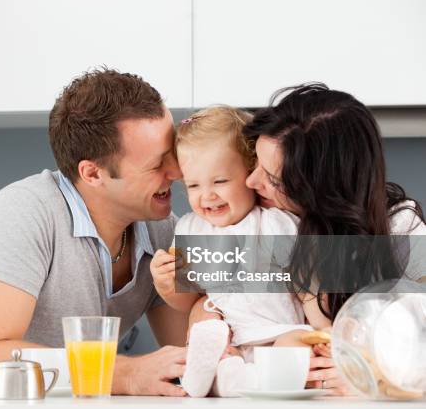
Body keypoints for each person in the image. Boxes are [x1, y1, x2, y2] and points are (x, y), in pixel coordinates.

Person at [0, 68, 190, 396]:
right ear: (93, 173)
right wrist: (125, 373)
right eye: (157, 165)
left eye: (173, 155)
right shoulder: (23, 211)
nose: (177, 171)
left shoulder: (163, 228)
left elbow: (193, 347)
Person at [242, 83, 426, 395]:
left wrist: (377, 374)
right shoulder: (266, 224)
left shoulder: (402, 231)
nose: (250, 181)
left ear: (322, 190)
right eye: (254, 163)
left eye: (273, 179)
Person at [149, 106, 316, 397]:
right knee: (205, 319)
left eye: (220, 181)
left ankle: (242, 379)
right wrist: (166, 285)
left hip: (276, 332)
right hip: (230, 339)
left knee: (297, 341)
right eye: (193, 185)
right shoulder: (191, 229)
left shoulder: (277, 223)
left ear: (250, 172)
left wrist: (322, 330)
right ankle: (213, 371)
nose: (207, 195)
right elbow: (187, 299)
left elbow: (308, 287)